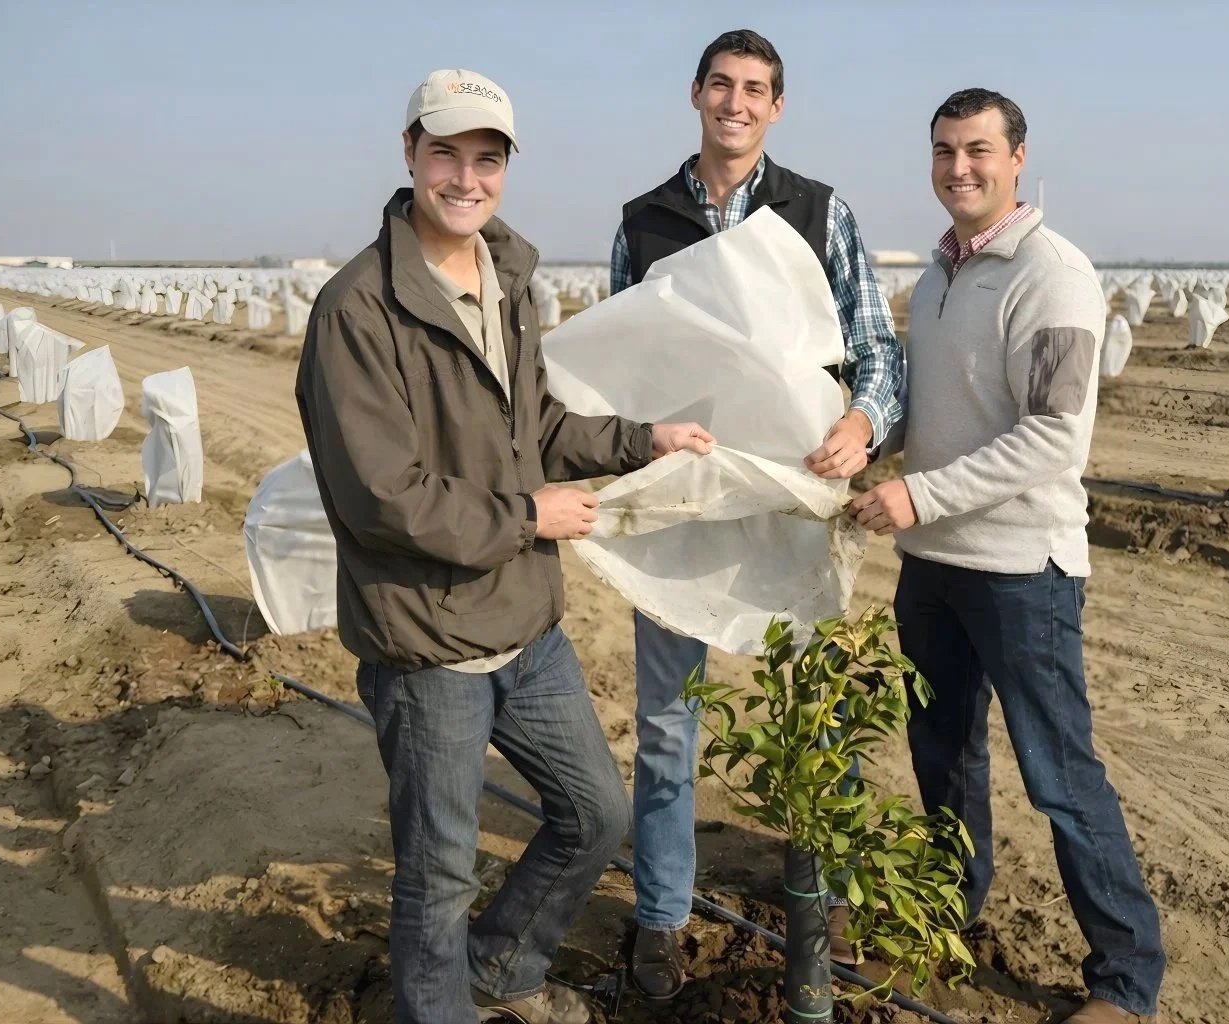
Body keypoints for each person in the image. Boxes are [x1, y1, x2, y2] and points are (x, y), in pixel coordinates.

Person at [295, 68, 713, 1024]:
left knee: (596, 814)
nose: (467, 177)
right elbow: (380, 497)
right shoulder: (357, 310)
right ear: (409, 154)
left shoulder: (509, 279)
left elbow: (539, 426)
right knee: (438, 878)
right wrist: (530, 518)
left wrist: (645, 440)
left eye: (487, 158)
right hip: (429, 644)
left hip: (526, 628)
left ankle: (499, 970)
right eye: (447, 152)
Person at [849, 88, 1164, 1023]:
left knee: (1059, 776)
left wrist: (918, 492)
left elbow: (1054, 438)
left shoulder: (1053, 275)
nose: (959, 168)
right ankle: (946, 922)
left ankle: (1126, 983)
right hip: (933, 566)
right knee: (942, 759)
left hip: (1023, 572)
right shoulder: (943, 277)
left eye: (979, 150)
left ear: (1018, 157)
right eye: (944, 150)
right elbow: (936, 409)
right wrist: (868, 437)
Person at [609, 28, 906, 998]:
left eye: (756, 90)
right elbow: (625, 368)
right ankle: (658, 927)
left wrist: (863, 422)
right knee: (665, 728)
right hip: (684, 504)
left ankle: (813, 917)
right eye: (722, 86)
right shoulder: (644, 221)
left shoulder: (818, 212)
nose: (737, 103)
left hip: (792, 499)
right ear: (697, 94)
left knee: (813, 722)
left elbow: (873, 348)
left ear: (776, 107)